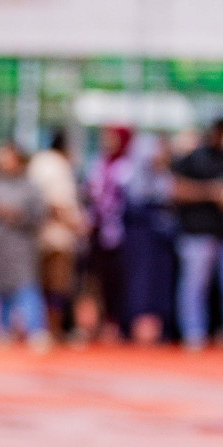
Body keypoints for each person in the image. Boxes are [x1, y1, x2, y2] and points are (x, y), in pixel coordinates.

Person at [172, 118, 223, 350]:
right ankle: (193, 332)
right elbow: (176, 189)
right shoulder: (194, 158)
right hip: (198, 232)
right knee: (195, 284)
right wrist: (212, 193)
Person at [0, 143, 49, 348]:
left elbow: (40, 216)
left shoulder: (30, 187)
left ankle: (35, 330)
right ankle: (1, 329)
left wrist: (17, 216)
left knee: (26, 288)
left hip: (20, 246)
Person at [120, 134, 177, 345]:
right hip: (141, 233)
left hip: (161, 236)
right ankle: (134, 326)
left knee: (161, 282)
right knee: (140, 282)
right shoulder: (134, 177)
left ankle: (161, 327)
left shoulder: (164, 176)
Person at [27, 132, 85, 338]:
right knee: (56, 287)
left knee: (42, 286)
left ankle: (41, 330)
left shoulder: (37, 161)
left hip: (35, 235)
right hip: (57, 237)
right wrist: (77, 226)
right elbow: (56, 203)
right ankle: (52, 330)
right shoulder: (57, 165)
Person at [84, 126, 133, 339]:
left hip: (120, 232)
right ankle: (98, 321)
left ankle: (116, 322)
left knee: (118, 279)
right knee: (96, 278)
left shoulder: (127, 167)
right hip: (97, 230)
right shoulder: (97, 164)